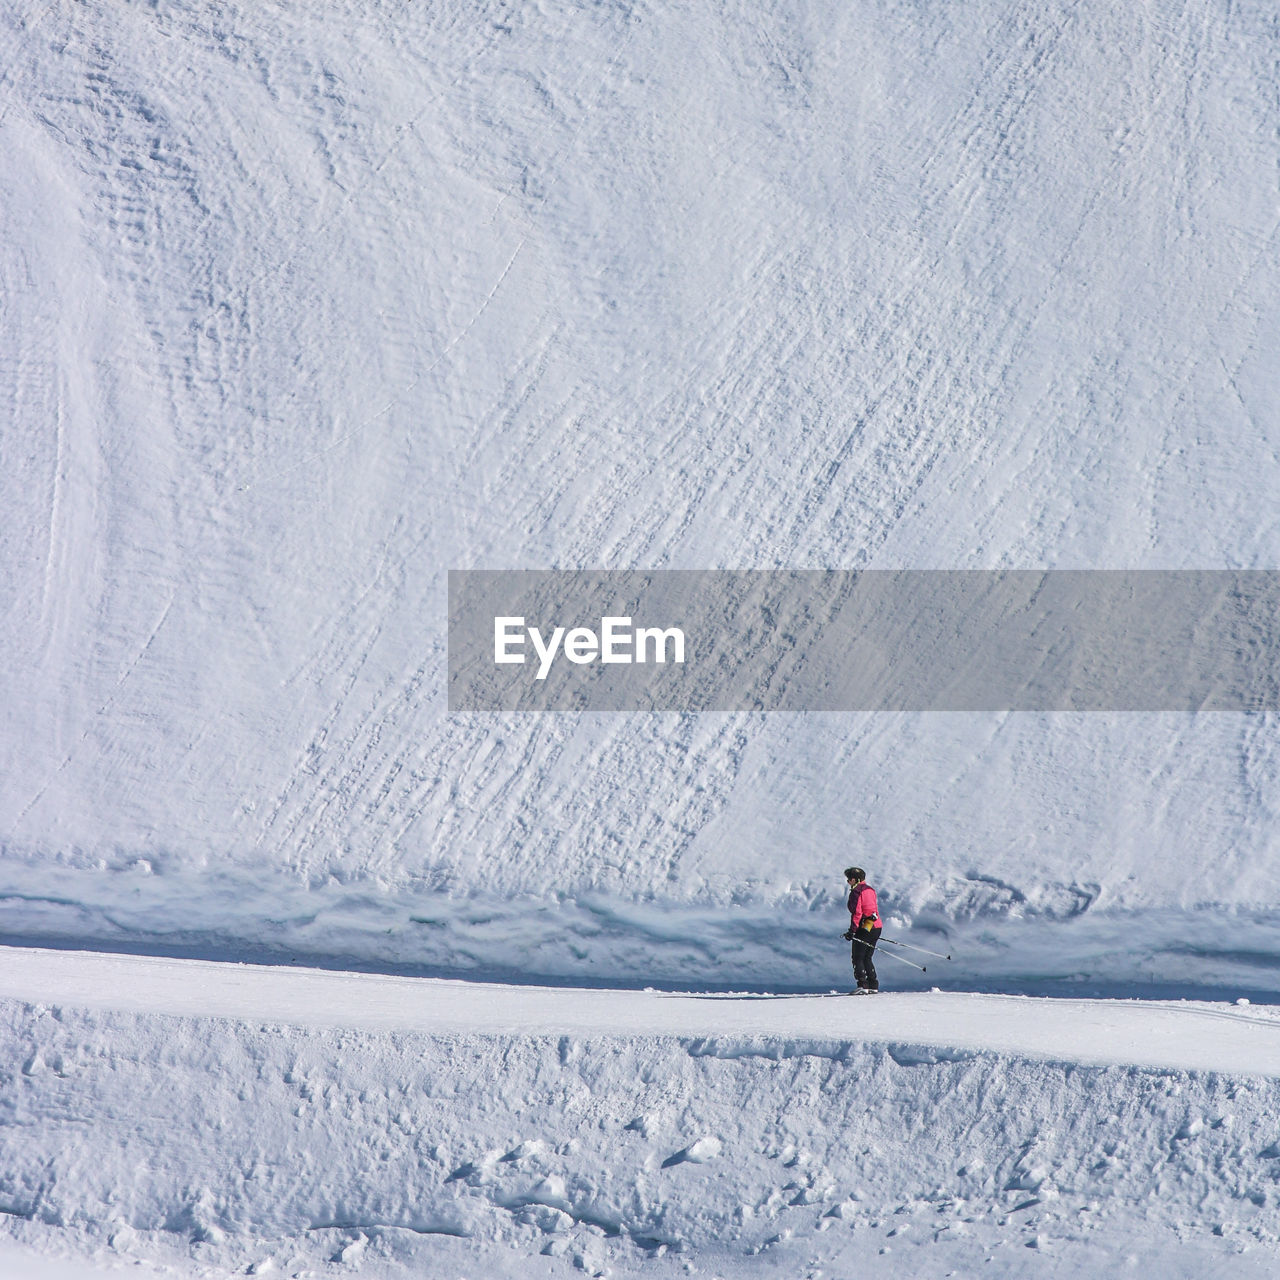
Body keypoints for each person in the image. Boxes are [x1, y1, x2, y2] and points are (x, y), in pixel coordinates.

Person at [843, 866, 882, 993]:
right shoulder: (870, 890)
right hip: (875, 926)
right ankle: (873, 985)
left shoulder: (856, 892)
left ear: (856, 880)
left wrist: (852, 930)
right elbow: (873, 910)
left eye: (849, 879)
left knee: (857, 957)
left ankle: (862, 985)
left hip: (864, 926)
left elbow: (857, 913)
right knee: (867, 957)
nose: (848, 881)